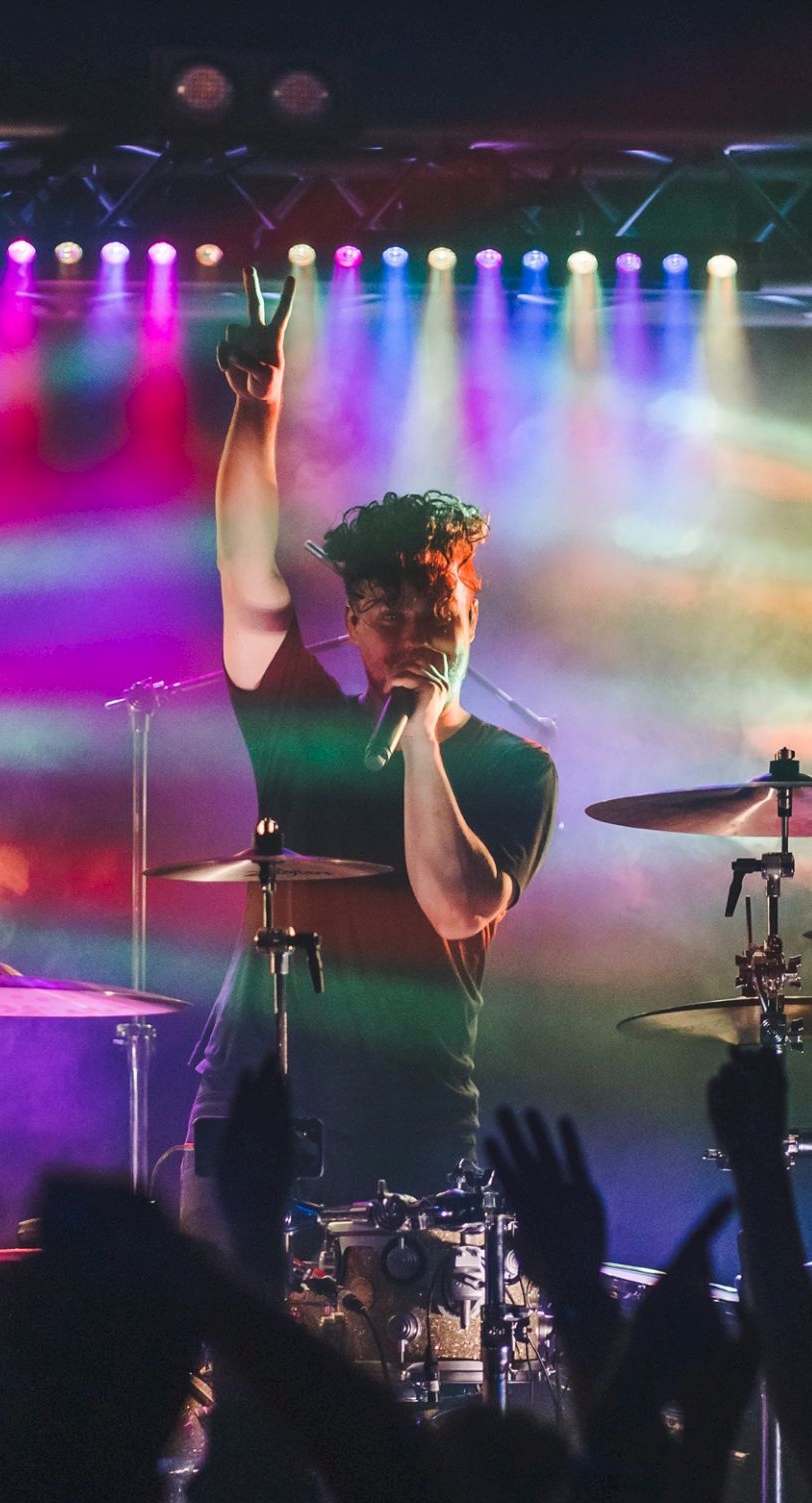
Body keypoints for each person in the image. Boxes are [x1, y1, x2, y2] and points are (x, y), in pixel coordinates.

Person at [182, 266, 558, 1229]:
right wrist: (258, 416)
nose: (412, 625)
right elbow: (242, 565)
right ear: (351, 624)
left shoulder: (515, 769)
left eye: (436, 603)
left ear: (473, 613)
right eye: (384, 608)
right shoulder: (302, 723)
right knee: (239, 1367)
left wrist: (424, 738)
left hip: (413, 1128)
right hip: (262, 1111)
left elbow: (456, 905)